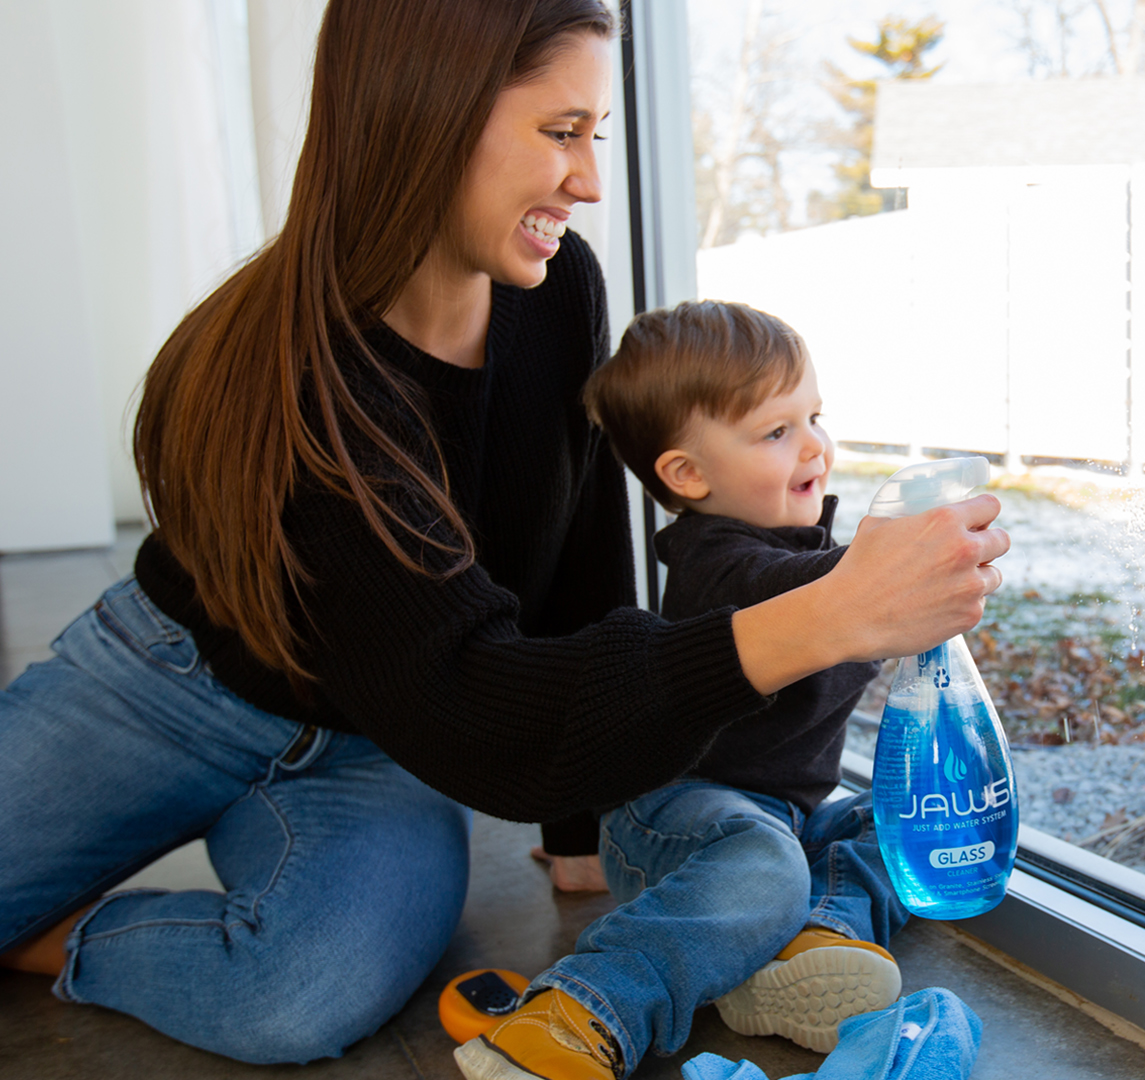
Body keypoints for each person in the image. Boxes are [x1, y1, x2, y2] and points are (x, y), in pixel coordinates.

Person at [0, 0, 1007, 1067]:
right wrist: (831, 612)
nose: (588, 181)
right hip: (176, 687)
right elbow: (473, 697)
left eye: (597, 134)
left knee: (298, 995)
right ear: (427, 113)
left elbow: (574, 546)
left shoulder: (558, 287)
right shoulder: (294, 378)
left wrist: (581, 824)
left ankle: (65, 940)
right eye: (560, 132)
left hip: (382, 738)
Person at [444, 301, 911, 1080]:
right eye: (776, 432)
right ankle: (579, 1011)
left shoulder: (800, 551)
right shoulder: (715, 563)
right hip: (670, 817)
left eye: (815, 417)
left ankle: (801, 947)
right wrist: (883, 577)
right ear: (687, 475)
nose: (816, 447)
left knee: (894, 816)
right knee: (766, 859)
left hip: (775, 818)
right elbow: (795, 591)